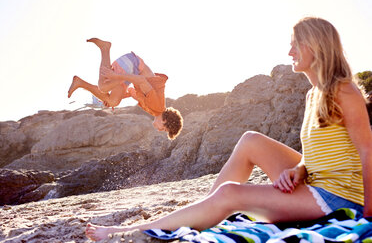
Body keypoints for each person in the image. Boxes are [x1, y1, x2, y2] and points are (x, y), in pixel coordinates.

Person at [85, 17, 372, 241]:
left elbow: (367, 152)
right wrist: (297, 171)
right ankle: (207, 206)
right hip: (315, 181)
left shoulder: (344, 93)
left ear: (315, 46)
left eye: (296, 44)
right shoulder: (313, 94)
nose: (290, 51)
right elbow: (323, 154)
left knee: (231, 194)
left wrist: (369, 214)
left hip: (337, 198)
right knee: (250, 141)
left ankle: (142, 228)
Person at [68, 38, 183, 140]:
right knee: (103, 86)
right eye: (163, 129)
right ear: (165, 121)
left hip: (133, 72)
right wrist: (116, 77)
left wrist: (111, 98)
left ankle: (79, 83)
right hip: (133, 65)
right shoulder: (157, 106)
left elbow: (132, 92)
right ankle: (105, 48)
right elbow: (141, 80)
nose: (159, 130)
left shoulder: (154, 110)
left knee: (113, 100)